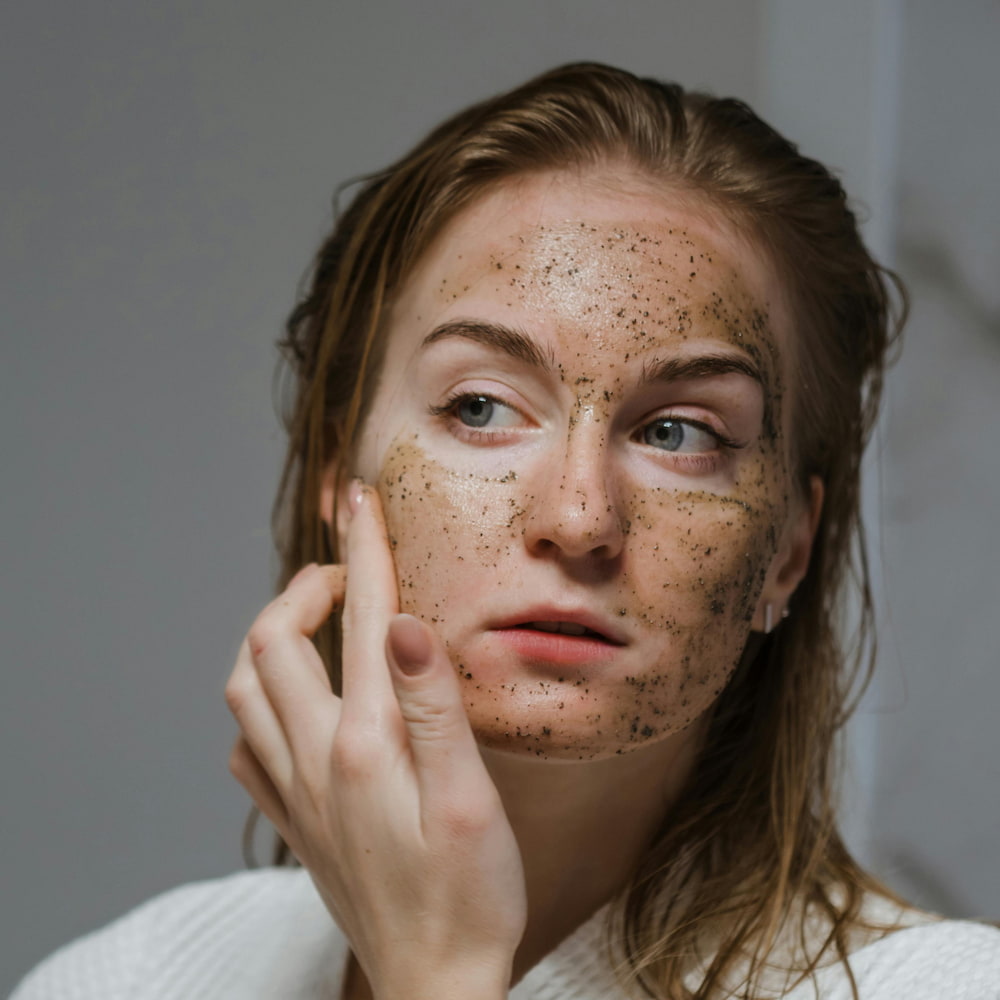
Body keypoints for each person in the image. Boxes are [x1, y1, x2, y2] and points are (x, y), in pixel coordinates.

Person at [12, 62, 1000, 1000]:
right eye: (480, 407)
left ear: (789, 547)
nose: (578, 518)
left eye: (678, 433)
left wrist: (436, 970)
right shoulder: (127, 979)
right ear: (336, 476)